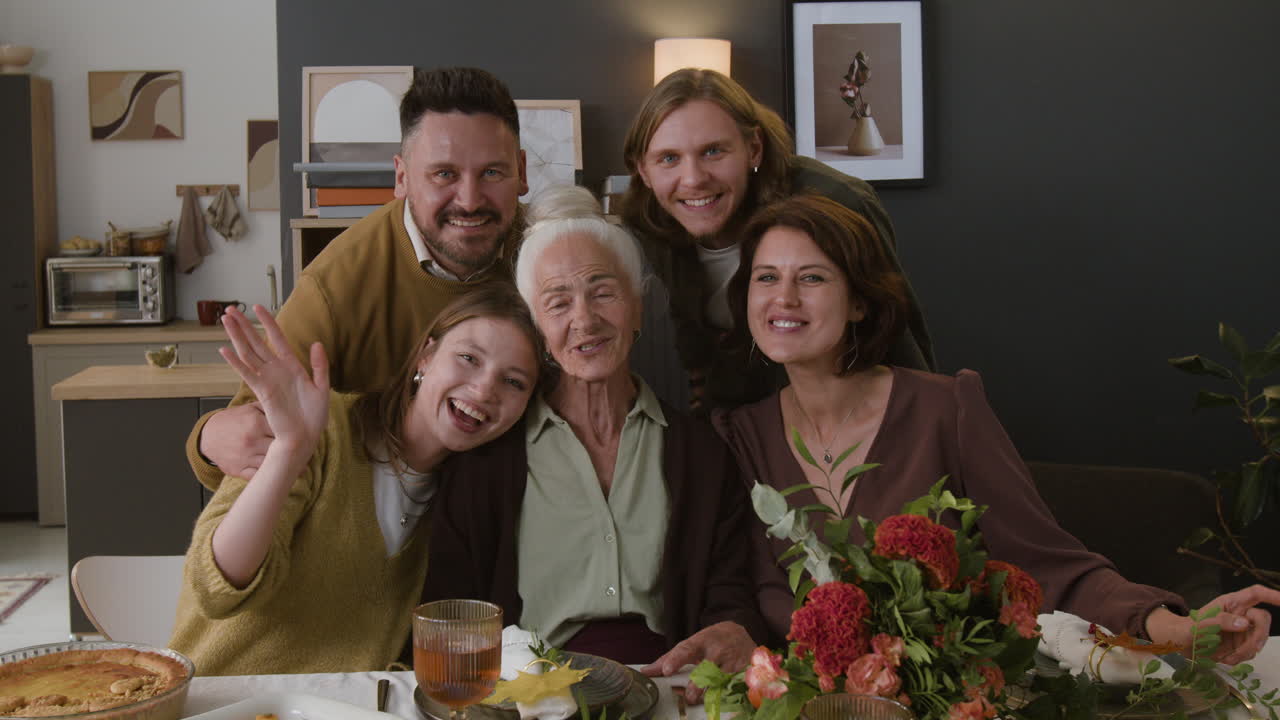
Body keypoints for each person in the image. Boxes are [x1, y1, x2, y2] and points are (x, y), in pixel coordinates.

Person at [713, 194, 1279, 665]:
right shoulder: (740, 437)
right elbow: (737, 597)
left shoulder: (946, 409)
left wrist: (1178, 629)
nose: (784, 297)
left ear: (859, 301)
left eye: (811, 277)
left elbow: (1050, 564)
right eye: (767, 277)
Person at [420, 186, 766, 698]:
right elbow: (453, 609)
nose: (584, 319)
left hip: (668, 690)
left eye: (603, 292)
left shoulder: (703, 452)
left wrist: (732, 627)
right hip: (532, 697)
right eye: (558, 302)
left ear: (637, 307)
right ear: (538, 326)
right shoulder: (487, 459)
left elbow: (730, 589)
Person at [170, 284, 543, 675]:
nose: (484, 389)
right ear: (426, 355)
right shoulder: (320, 427)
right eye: (468, 358)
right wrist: (287, 454)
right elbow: (214, 589)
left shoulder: (472, 502)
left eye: (514, 382)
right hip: (222, 693)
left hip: (346, 703)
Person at [186, 66, 528, 489]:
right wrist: (208, 439)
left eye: (492, 172)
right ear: (402, 177)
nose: (471, 200)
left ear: (521, 171)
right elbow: (247, 432)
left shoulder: (552, 256)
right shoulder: (336, 284)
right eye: (444, 174)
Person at [620, 68, 933, 413]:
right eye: (669, 158)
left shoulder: (834, 202)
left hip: (852, 408)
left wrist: (921, 428)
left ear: (754, 148)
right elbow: (695, 344)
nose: (693, 179)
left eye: (713, 151)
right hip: (749, 417)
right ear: (643, 170)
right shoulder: (651, 223)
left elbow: (897, 340)